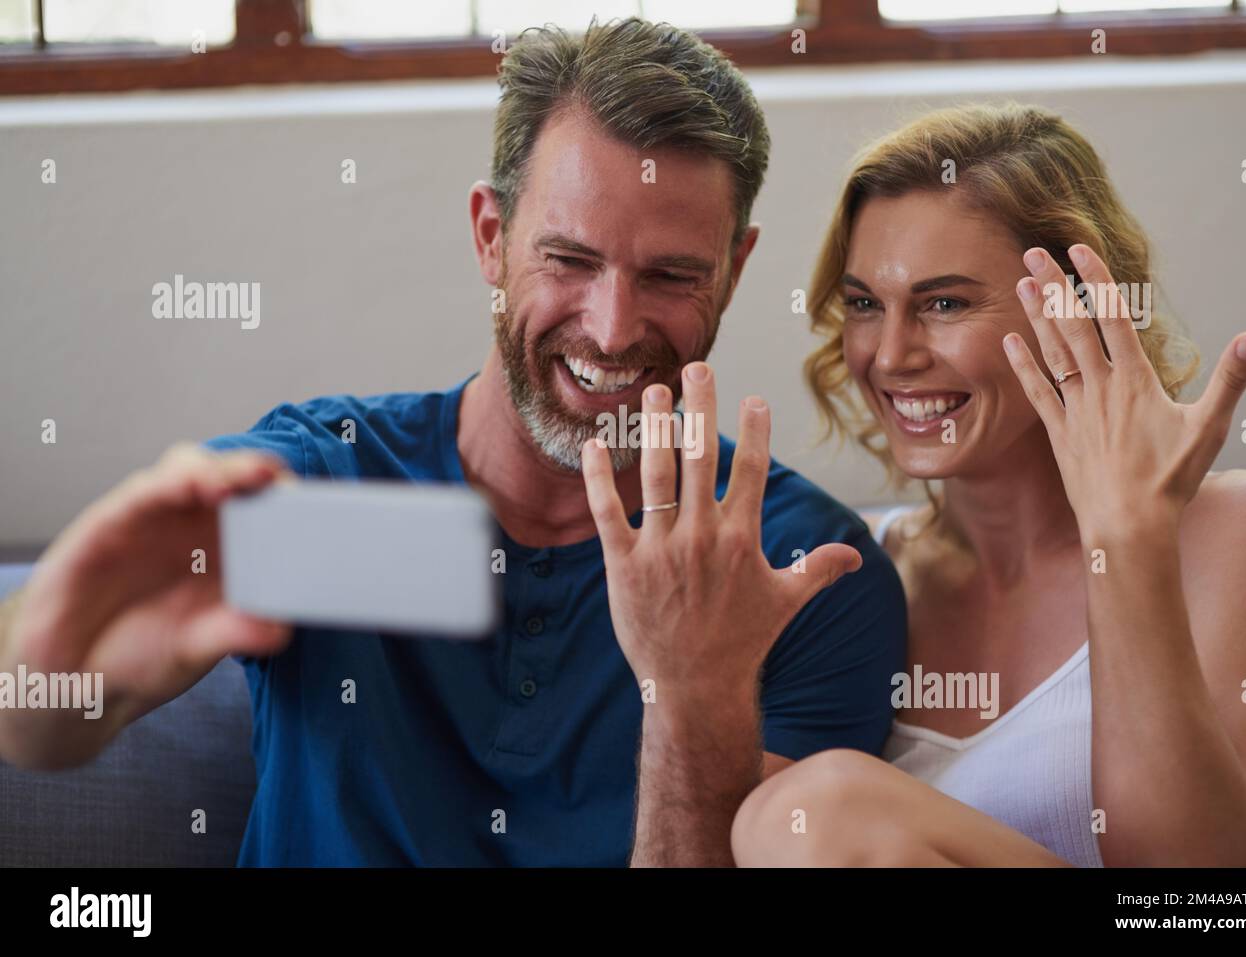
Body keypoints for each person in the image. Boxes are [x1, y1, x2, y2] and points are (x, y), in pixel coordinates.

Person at [0, 19, 906, 866]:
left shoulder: (799, 571)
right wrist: (47, 654)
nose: (613, 325)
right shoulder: (333, 493)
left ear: (736, 270)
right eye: (570, 260)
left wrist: (690, 695)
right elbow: (39, 726)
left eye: (670, 275)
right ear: (489, 236)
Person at [720, 103, 1246, 867]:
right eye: (865, 304)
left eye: (945, 303)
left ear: (1077, 309)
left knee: (814, 811)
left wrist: (1125, 537)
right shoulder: (860, 576)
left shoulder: (1243, 526)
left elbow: (1195, 896)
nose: (890, 354)